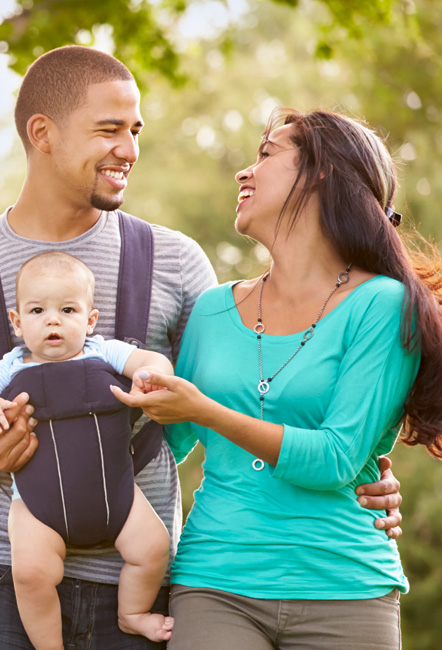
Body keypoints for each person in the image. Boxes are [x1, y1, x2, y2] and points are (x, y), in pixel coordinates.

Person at [0, 45, 404, 650]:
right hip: (7, 571)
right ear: (43, 134)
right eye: (109, 130)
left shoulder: (175, 261)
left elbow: (225, 398)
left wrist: (363, 465)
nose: (130, 150)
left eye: (135, 131)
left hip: (141, 578)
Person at [112, 108, 442, 649]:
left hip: (346, 587)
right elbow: (161, 447)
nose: (244, 172)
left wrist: (204, 409)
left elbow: (337, 458)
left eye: (266, 154)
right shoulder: (214, 309)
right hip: (213, 584)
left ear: (321, 175)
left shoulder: (384, 305)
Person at [0, 251, 175, 648]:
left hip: (118, 498)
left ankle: (133, 613)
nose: (52, 320)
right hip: (38, 508)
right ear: (18, 322)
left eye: (67, 309)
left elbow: (151, 359)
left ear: (89, 320)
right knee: (29, 573)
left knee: (154, 548)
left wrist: (150, 376)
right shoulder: (10, 365)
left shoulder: (104, 351)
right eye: (38, 310)